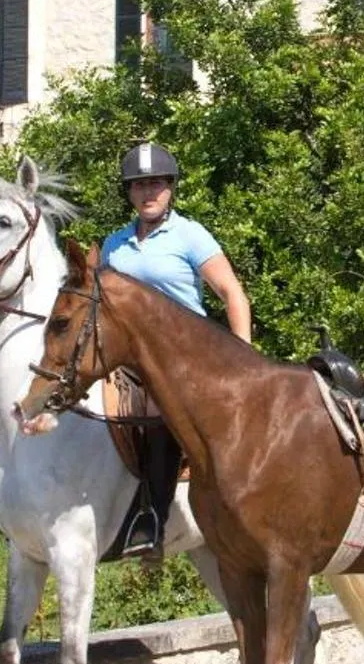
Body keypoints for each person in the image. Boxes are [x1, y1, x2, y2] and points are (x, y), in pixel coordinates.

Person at [98, 141, 253, 559]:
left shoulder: (189, 234)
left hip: (187, 360)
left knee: (163, 412)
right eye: (139, 185)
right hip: (128, 362)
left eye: (157, 184)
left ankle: (152, 517)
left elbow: (232, 294)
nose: (148, 192)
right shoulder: (114, 245)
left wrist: (243, 355)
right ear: (129, 193)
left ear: (170, 189)